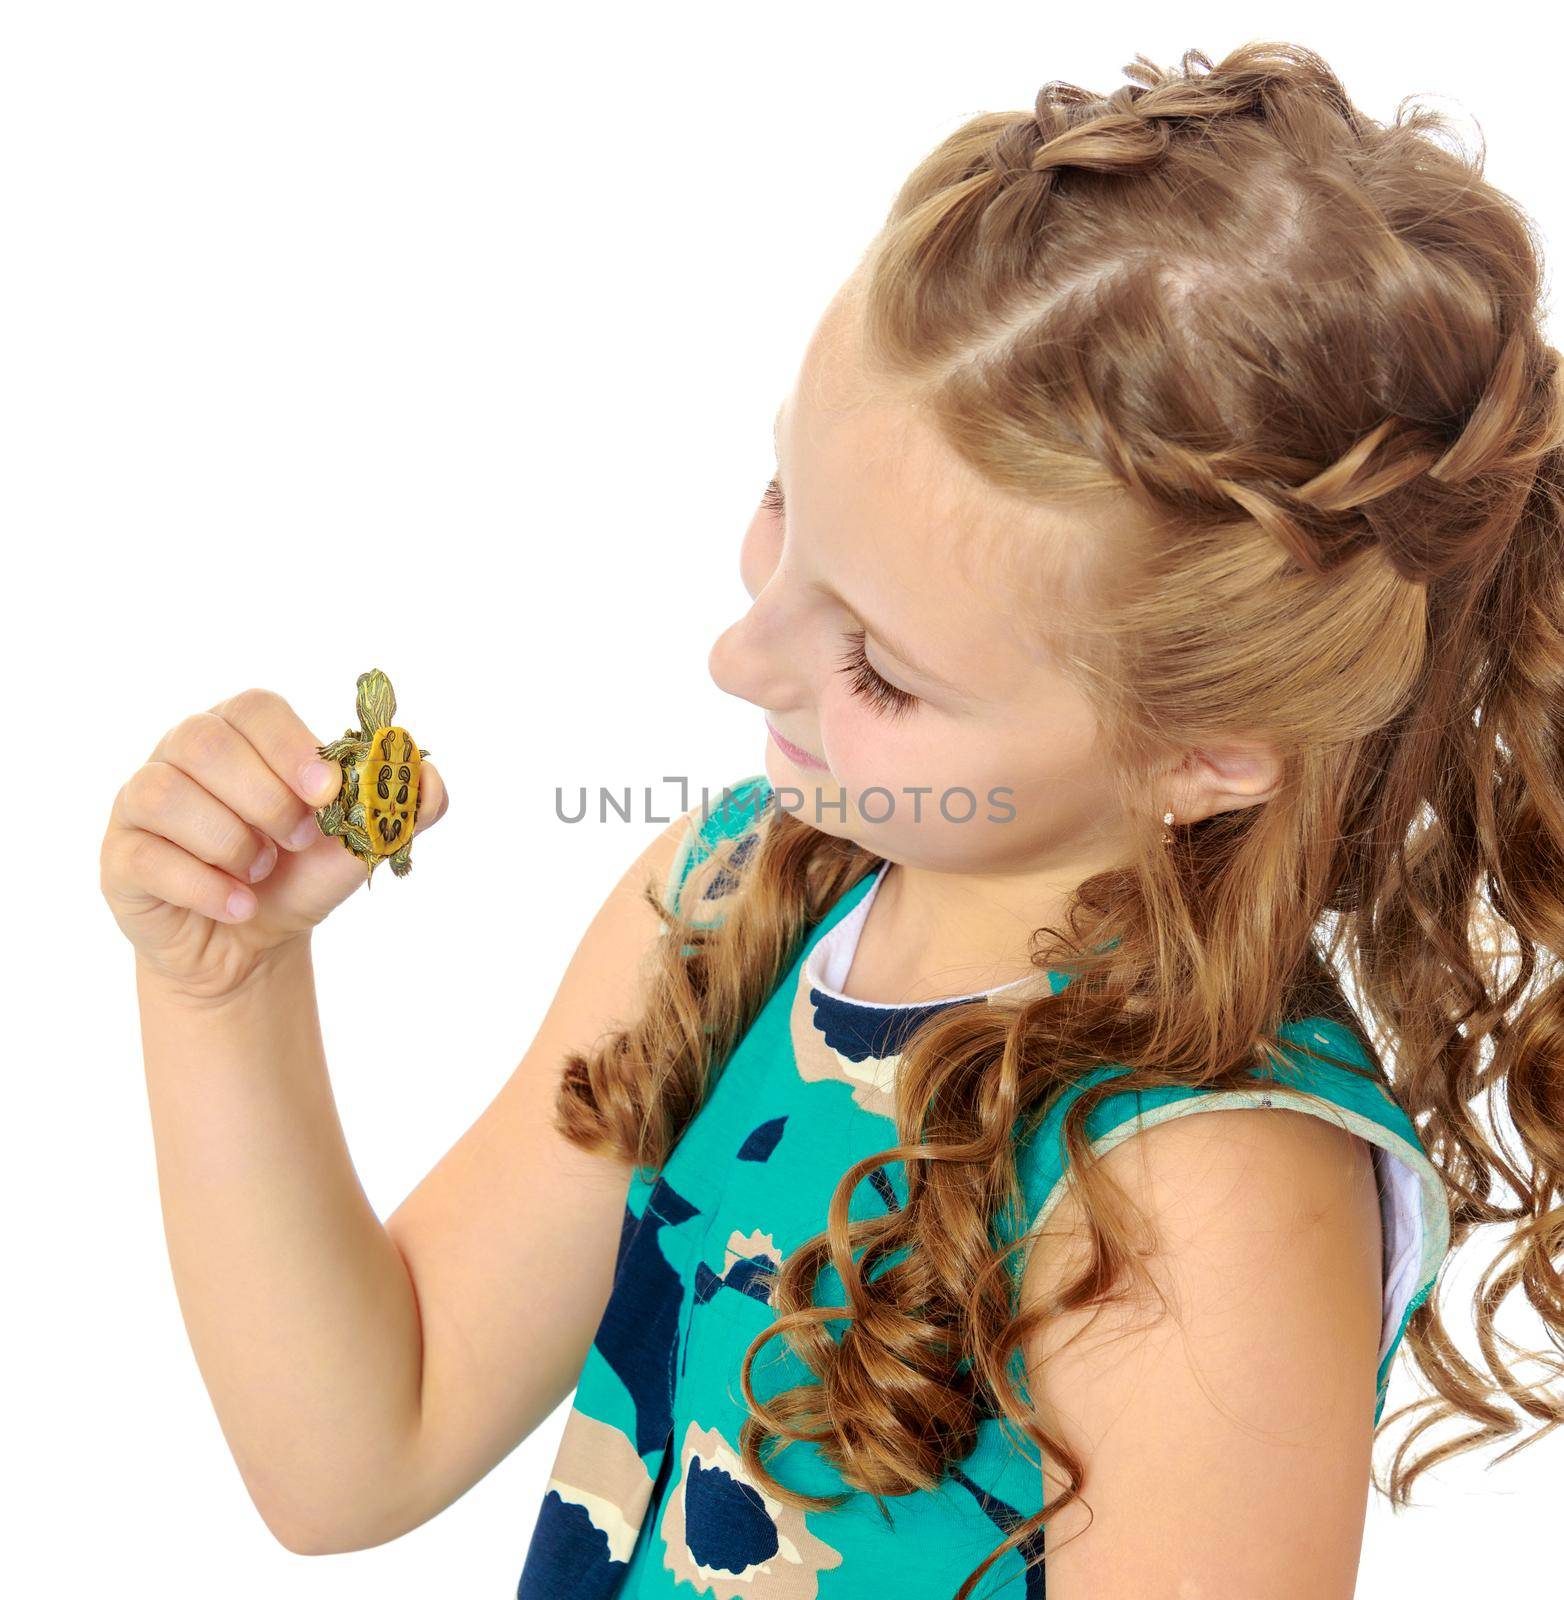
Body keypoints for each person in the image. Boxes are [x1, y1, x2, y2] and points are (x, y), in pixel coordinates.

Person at [100, 41, 1564, 1600]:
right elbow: (357, 1449)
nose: (739, 657)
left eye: (879, 663)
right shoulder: (728, 896)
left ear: (1208, 748)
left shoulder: (1200, 1185)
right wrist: (225, 984)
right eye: (784, 501)